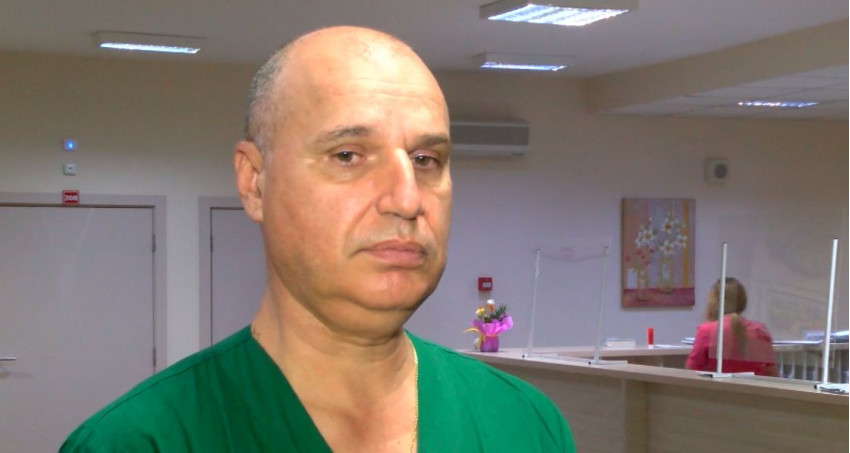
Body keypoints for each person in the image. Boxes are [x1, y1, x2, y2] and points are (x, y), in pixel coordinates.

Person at [61, 26, 575, 452]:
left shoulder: (524, 425)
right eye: (348, 155)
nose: (407, 198)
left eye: (425, 160)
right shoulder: (141, 441)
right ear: (254, 182)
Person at [685, 277, 778, 377]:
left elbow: (691, 370)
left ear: (714, 301)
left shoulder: (707, 330)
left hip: (719, 386)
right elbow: (772, 373)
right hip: (753, 387)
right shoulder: (760, 331)